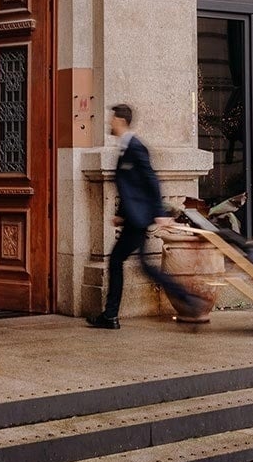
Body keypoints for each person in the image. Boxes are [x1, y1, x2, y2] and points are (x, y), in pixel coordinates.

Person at [87, 103, 210, 330]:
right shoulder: (126, 148)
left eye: (112, 120)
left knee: (119, 261)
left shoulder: (135, 147)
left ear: (121, 121)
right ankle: (113, 314)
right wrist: (121, 215)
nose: (109, 123)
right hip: (135, 218)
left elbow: (150, 180)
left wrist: (160, 214)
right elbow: (131, 186)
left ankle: (111, 315)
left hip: (140, 219)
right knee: (138, 264)